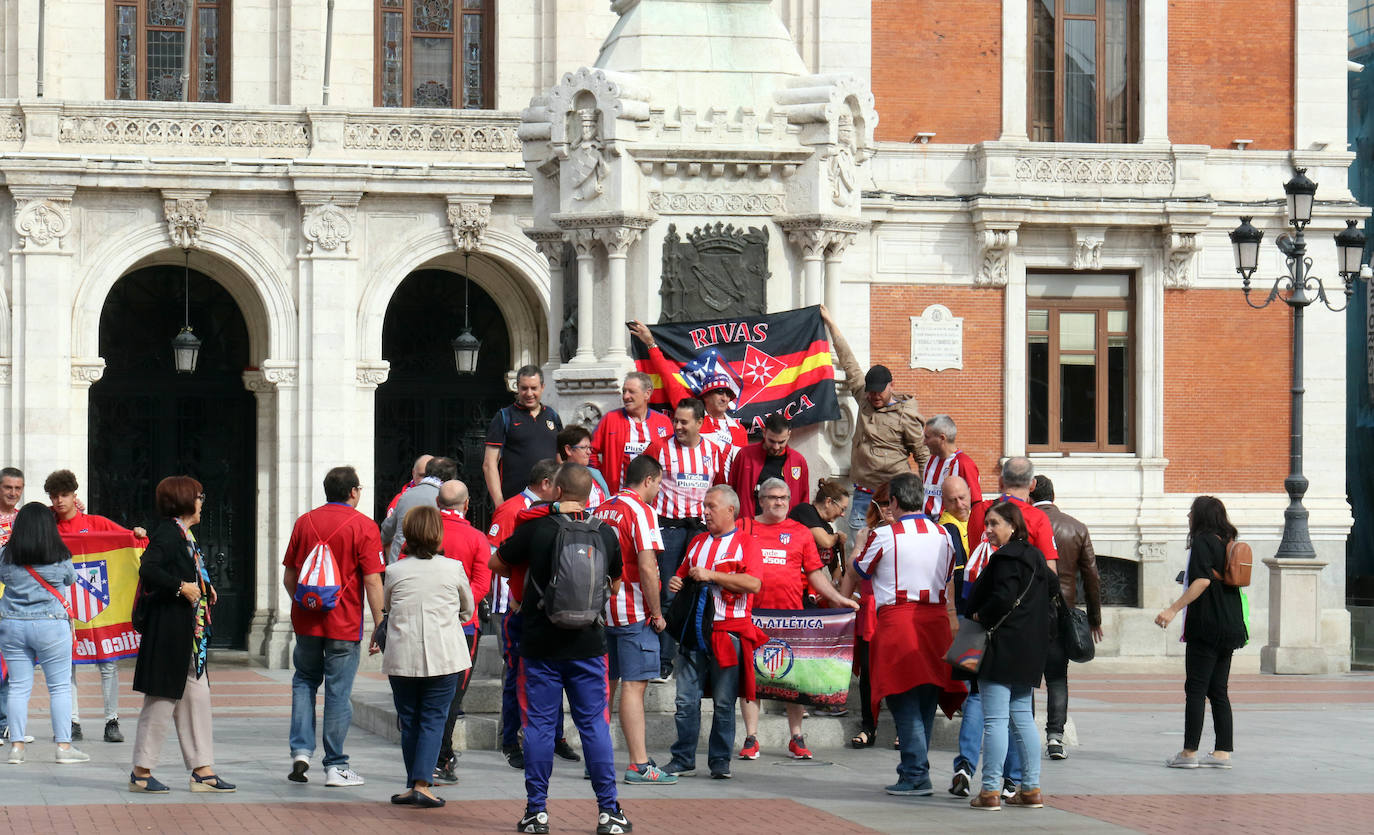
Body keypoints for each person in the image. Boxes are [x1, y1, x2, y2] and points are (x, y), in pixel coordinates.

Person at [492, 464, 632, 835]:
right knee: (594, 726)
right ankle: (609, 812)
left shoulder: (535, 528)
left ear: (554, 489)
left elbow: (496, 562)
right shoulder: (605, 533)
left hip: (539, 643)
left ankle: (536, 812)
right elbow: (615, 585)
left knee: (538, 725)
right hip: (589, 643)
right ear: (589, 494)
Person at [838, 473, 961, 797]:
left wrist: (859, 545)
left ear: (893, 502)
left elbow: (860, 569)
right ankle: (914, 769)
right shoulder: (943, 534)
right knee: (925, 699)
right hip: (934, 621)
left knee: (902, 697)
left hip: (899, 621)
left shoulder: (885, 536)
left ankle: (916, 773)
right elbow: (948, 576)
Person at [739, 478, 857, 760]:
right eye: (771, 497)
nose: (778, 502)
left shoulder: (801, 532)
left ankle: (796, 737)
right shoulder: (745, 527)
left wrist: (839, 598)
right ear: (761, 499)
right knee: (750, 681)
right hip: (753, 615)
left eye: (782, 497)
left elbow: (815, 574)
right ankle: (751, 737)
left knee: (795, 682)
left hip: (792, 618)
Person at [129, 476, 235, 792]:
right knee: (161, 699)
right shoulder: (167, 533)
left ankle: (202, 770)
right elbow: (148, 569)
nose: (202, 502)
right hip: (169, 632)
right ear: (185, 499)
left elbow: (184, 570)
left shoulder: (183, 534)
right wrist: (181, 587)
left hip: (189, 634)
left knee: (197, 696)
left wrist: (204, 587)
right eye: (199, 496)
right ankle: (141, 772)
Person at [283, 466, 385, 787]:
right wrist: (380, 624)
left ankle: (300, 752)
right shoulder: (364, 527)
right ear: (354, 492)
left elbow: (290, 576)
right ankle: (336, 765)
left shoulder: (304, 522)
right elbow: (372, 581)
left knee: (304, 682)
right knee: (338, 692)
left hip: (306, 621)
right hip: (344, 623)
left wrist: (303, 604)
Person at [664, 485, 766, 781]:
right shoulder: (696, 542)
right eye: (704, 506)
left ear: (730, 510)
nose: (704, 512)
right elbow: (682, 575)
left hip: (727, 633)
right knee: (685, 701)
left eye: (711, 506)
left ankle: (720, 761)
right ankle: (682, 758)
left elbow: (754, 584)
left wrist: (713, 575)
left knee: (724, 703)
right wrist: (675, 582)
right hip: (693, 634)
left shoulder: (746, 543)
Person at [379, 505, 474, 808]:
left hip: (403, 655)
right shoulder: (453, 567)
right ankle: (422, 783)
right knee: (434, 718)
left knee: (410, 719)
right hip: (443, 654)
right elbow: (467, 608)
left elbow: (388, 606)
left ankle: (412, 783)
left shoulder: (394, 570)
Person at [486, 459, 577, 770]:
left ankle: (554, 736)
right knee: (516, 676)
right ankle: (511, 740)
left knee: (552, 676)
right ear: (548, 484)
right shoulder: (514, 509)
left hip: (551, 609)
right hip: (516, 606)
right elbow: (494, 555)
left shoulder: (563, 515)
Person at [592, 454, 677, 785]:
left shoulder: (602, 508)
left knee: (604, 688)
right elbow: (646, 566)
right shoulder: (641, 511)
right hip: (633, 611)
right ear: (649, 480)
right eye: (658, 483)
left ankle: (596, 760)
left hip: (603, 610)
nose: (657, 489)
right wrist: (657, 612)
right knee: (633, 687)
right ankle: (639, 764)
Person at [965, 500, 1055, 811]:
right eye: (986, 523)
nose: (987, 530)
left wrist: (980, 616)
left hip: (1000, 648)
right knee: (1023, 717)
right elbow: (1054, 589)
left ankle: (990, 790)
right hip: (1030, 649)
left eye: (994, 524)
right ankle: (1030, 788)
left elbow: (1001, 598)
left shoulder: (1004, 558)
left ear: (1012, 526)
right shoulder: (1036, 557)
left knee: (995, 721)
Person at [46, 468, 146, 745]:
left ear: (74, 495)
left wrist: (137, 534)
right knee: (68, 666)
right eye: (54, 496)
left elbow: (129, 542)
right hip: (64, 610)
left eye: (64, 495)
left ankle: (111, 720)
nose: (59, 501)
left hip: (99, 612)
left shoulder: (98, 523)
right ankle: (73, 720)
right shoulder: (48, 528)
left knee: (108, 665)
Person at [819, 306, 930, 548]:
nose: (874, 396)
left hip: (895, 497)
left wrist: (923, 497)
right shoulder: (864, 397)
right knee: (858, 548)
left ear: (891, 386)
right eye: (870, 391)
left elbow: (922, 455)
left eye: (879, 391)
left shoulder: (906, 414)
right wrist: (831, 324)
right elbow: (850, 364)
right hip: (863, 492)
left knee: (896, 546)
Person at [1154, 496, 1247, 770]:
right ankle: (1222, 752)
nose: (1188, 517)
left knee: (1195, 688)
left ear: (1200, 516)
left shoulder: (1203, 541)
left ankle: (1189, 752)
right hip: (1230, 621)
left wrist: (1171, 610)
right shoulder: (1226, 541)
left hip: (1206, 623)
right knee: (1218, 689)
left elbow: (1202, 581)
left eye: (1191, 513)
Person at [645, 397, 733, 680]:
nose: (678, 426)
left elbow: (719, 488)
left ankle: (699, 653)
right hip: (668, 528)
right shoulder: (659, 447)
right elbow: (643, 486)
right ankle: (664, 659)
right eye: (676, 421)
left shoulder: (714, 450)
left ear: (700, 422)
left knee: (702, 591)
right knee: (668, 592)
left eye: (684, 422)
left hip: (700, 531)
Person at [0, 503, 87, 766]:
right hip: (51, 625)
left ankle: (16, 747)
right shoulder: (59, 554)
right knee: (59, 687)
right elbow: (71, 579)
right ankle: (63, 746)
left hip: (12, 624)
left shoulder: (5, 554)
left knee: (17, 687)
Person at [1030, 474, 1104, 760]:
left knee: (1027, 676)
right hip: (1064, 610)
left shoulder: (1025, 522)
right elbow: (1092, 577)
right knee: (1058, 676)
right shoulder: (1076, 527)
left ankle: (1024, 733)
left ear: (1030, 496)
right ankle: (1055, 738)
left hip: (1031, 610)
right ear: (1054, 497)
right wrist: (1094, 617)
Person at [432, 480, 493, 784]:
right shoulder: (476, 537)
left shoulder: (422, 533)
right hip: (463, 625)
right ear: (467, 505)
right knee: (453, 695)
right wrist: (457, 605)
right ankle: (441, 757)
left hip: (426, 622)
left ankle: (435, 754)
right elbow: (482, 583)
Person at [629, 320, 748, 453]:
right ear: (706, 396)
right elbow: (667, 375)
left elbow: (743, 466)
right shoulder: (691, 413)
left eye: (728, 394)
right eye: (720, 392)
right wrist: (651, 343)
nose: (725, 398)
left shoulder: (739, 430)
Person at [847, 481, 891, 749]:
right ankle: (868, 726)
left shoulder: (908, 533)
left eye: (891, 502)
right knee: (868, 672)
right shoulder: (868, 534)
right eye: (883, 503)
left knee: (897, 669)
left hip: (892, 609)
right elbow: (854, 572)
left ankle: (901, 727)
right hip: (868, 607)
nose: (888, 508)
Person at [484, 365, 563, 507]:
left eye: (534, 388)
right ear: (517, 388)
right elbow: (489, 464)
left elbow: (561, 460)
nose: (529, 393)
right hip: (515, 503)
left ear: (543, 387)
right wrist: (499, 502)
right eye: (524, 388)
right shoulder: (504, 417)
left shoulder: (553, 416)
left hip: (550, 504)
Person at [591, 372, 673, 494]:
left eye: (631, 391)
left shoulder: (663, 422)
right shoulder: (610, 419)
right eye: (624, 391)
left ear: (647, 393)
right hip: (616, 497)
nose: (625, 396)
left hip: (654, 501)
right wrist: (600, 481)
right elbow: (590, 452)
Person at [727, 413, 810, 519]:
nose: (776, 447)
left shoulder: (798, 461)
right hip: (749, 526)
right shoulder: (745, 455)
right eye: (772, 441)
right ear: (764, 432)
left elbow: (804, 499)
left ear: (789, 434)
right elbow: (731, 491)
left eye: (781, 442)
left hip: (785, 530)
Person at [381, 457, 456, 564]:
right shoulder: (446, 499)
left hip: (399, 563)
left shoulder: (404, 496)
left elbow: (387, 530)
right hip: (431, 562)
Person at [788, 478, 850, 586]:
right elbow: (825, 541)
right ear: (828, 502)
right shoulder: (805, 510)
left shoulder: (828, 530)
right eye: (842, 509)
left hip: (812, 586)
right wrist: (837, 537)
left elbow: (835, 569)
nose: (842, 514)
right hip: (793, 581)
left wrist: (833, 585)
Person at [0, 466, 23, 746]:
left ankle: (5, 722)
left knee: (8, 663)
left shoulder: (25, 520)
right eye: (8, 487)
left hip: (14, 600)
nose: (13, 493)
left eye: (18, 488)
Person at [921, 415, 983, 518]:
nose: (924, 442)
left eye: (927, 437)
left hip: (949, 528)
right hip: (928, 525)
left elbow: (976, 504)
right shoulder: (930, 461)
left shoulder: (964, 464)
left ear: (942, 438)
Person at [557, 426, 610, 507]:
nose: (589, 452)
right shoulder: (556, 478)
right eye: (583, 448)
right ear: (568, 450)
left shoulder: (596, 475)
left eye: (589, 448)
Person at [383, 455, 433, 521]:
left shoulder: (445, 498)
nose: (427, 480)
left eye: (431, 476)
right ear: (413, 473)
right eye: (422, 475)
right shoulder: (399, 501)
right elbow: (390, 529)